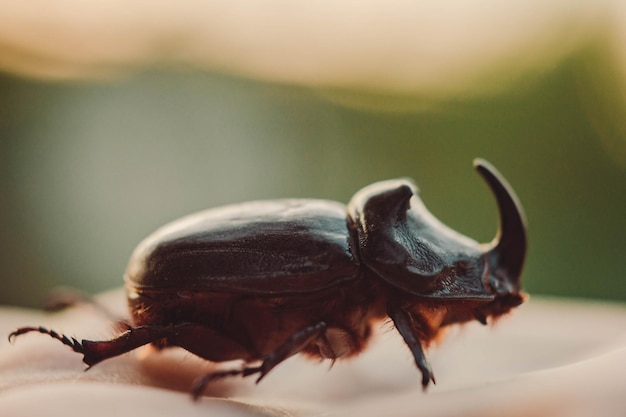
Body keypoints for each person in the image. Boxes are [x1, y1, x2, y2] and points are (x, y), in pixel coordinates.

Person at [1, 289, 625, 416]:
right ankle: (91, 347)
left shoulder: (375, 278)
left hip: (195, 304)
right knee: (182, 324)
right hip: (190, 296)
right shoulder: (351, 278)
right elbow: (314, 329)